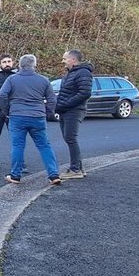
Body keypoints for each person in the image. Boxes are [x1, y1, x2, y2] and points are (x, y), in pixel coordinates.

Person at [0, 54, 61, 186]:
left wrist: (7, 111)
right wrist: (48, 113)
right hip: (37, 116)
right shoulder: (43, 80)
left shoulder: (12, 79)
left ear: (20, 65)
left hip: (17, 115)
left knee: (17, 146)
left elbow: (2, 94)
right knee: (44, 145)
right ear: (34, 65)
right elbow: (52, 99)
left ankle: (15, 175)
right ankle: (53, 174)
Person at [55, 49, 94, 180]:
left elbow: (85, 93)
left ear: (72, 60)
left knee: (71, 138)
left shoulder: (83, 72)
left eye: (65, 58)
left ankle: (75, 169)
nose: (63, 61)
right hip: (65, 110)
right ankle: (79, 168)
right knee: (69, 138)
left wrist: (66, 104)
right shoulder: (71, 73)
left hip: (74, 110)